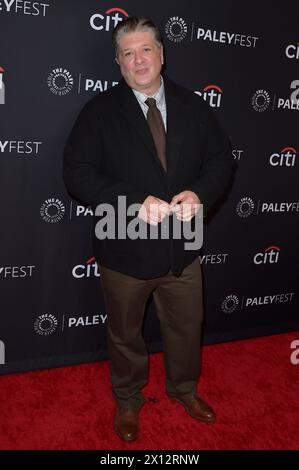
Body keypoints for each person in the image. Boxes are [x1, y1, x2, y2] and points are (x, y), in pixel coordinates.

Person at [63, 16, 235, 442]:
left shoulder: (193, 105)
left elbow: (221, 159)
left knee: (185, 327)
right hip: (123, 246)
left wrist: (200, 192)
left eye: (146, 50)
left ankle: (183, 389)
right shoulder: (98, 111)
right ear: (118, 63)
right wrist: (134, 201)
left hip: (183, 246)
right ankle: (128, 398)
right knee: (124, 334)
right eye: (128, 53)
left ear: (162, 53)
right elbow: (77, 174)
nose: (138, 60)